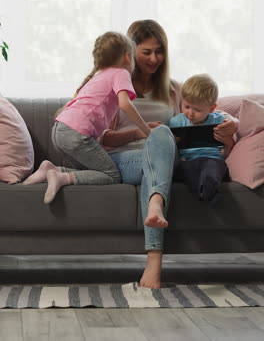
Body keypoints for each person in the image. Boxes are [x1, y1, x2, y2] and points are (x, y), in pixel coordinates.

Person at [100, 19, 238, 288]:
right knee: (160, 134)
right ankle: (154, 261)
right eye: (147, 52)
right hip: (127, 159)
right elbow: (101, 137)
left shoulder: (174, 89)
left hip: (166, 160)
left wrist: (233, 124)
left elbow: (208, 110)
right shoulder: (115, 86)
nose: (155, 58)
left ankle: (155, 203)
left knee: (163, 136)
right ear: (131, 52)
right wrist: (139, 132)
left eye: (159, 51)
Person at [24, 31, 153, 204]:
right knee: (111, 175)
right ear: (127, 57)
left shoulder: (98, 76)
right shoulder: (120, 73)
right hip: (76, 134)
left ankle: (52, 168)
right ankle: (61, 177)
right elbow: (124, 104)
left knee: (90, 169)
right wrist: (147, 131)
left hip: (60, 130)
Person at [169, 73, 234, 205]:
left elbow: (225, 153)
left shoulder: (220, 121)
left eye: (197, 110)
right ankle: (207, 194)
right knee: (183, 170)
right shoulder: (175, 122)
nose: (190, 113)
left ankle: (208, 190)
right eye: (186, 106)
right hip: (187, 161)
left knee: (212, 170)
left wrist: (228, 143)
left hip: (212, 159)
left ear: (212, 108)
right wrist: (173, 145)